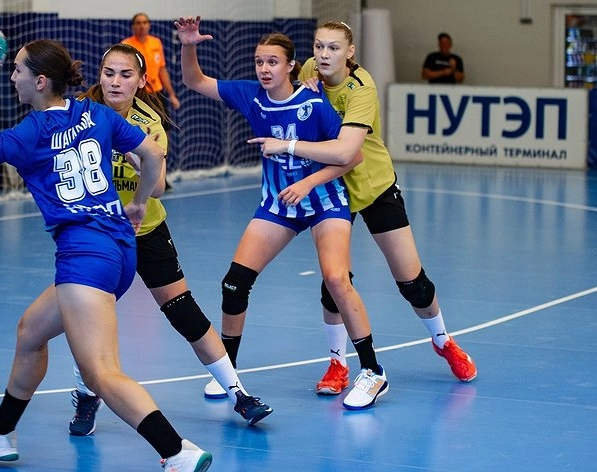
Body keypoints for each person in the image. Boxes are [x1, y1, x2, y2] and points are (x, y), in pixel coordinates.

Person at [0, 39, 212, 471]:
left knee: (101, 373)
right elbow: (152, 154)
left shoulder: (31, 132)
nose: (12, 77)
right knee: (31, 331)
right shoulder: (96, 113)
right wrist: (140, 202)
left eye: (17, 70)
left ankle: (178, 451)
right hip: (119, 249)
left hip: (84, 254)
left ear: (40, 81)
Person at [176, 16, 387, 411]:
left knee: (336, 279)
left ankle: (373, 371)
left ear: (291, 66)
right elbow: (195, 81)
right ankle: (228, 373)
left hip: (324, 201)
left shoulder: (313, 104)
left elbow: (353, 156)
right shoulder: (251, 96)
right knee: (234, 283)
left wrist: (308, 183)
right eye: (259, 62)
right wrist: (189, 45)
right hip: (278, 205)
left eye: (273, 62)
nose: (265, 69)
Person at [63, 43, 271, 438]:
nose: (115, 81)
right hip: (96, 235)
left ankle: (238, 393)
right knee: (88, 318)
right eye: (109, 73)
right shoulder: (80, 116)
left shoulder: (148, 122)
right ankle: (86, 394)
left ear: (142, 81)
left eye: (126, 75)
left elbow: (157, 186)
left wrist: (133, 151)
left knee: (183, 310)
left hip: (145, 229)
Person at [289, 21, 477, 395]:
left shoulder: (362, 88)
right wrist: (299, 90)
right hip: (333, 190)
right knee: (334, 281)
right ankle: (337, 363)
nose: (324, 55)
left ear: (350, 52)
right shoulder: (310, 70)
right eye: (319, 47)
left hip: (373, 185)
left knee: (413, 284)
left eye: (333, 48)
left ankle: (443, 341)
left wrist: (290, 147)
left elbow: (346, 151)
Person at [123, 12, 181, 111]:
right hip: (137, 93)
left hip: (156, 92)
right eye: (138, 23)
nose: (142, 26)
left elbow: (161, 69)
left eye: (145, 22)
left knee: (161, 119)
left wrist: (171, 94)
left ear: (149, 25)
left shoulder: (156, 42)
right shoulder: (126, 45)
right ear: (133, 26)